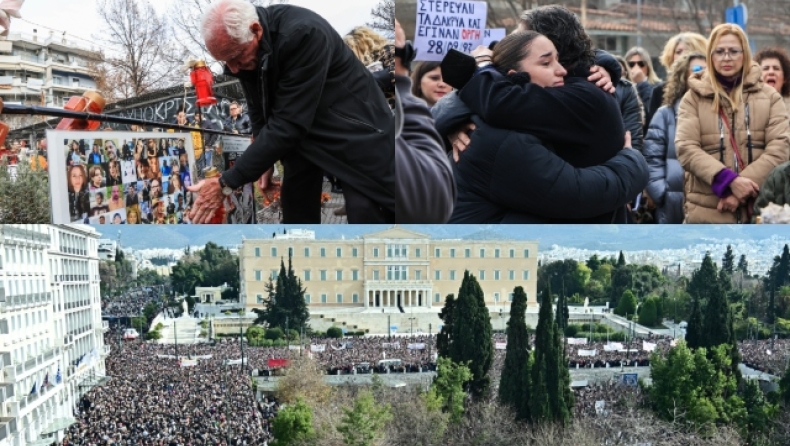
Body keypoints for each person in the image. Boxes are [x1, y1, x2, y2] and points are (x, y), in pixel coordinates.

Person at [190, 0, 394, 223]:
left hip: (355, 130)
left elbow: (288, 123)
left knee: (366, 210)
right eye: (225, 62)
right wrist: (263, 159)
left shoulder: (303, 34)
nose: (233, 68)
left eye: (236, 57)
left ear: (256, 31)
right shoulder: (244, 51)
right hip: (306, 136)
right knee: (296, 210)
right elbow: (259, 109)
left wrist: (227, 182)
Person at [436, 29, 647, 223]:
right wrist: (631, 161)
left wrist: (603, 64)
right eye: (546, 63)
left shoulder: (510, 119)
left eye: (559, 59)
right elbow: (575, 196)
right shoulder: (500, 138)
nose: (562, 70)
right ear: (513, 76)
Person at [675, 23, 790, 223]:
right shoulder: (692, 98)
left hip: (759, 210)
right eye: (719, 51)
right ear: (710, 56)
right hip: (708, 212)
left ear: (744, 54)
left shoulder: (770, 97)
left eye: (733, 51)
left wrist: (740, 191)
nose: (726, 57)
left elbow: (780, 148)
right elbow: (686, 148)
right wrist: (729, 181)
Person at [393, 19, 455, 223]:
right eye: (435, 78)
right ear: (418, 80)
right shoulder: (398, 116)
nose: (442, 84)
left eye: (448, 78)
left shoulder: (466, 121)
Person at [643, 53, 707, 224]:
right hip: (672, 204)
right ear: (683, 76)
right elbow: (651, 157)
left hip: (709, 204)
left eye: (708, 70)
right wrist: (661, 194)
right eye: (697, 69)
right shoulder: (665, 114)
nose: (702, 74)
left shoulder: (718, 114)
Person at [646, 32, 708, 127]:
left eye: (688, 50)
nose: (683, 55)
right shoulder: (659, 92)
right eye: (678, 52)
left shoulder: (712, 88)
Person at [625, 46, 661, 113]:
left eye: (641, 64)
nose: (636, 67)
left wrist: (642, 82)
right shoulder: (623, 87)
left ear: (648, 67)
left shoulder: (658, 87)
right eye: (631, 64)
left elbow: (651, 110)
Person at [755, 47, 790, 113]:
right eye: (766, 68)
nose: (771, 72)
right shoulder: (747, 107)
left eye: (776, 68)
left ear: (785, 77)